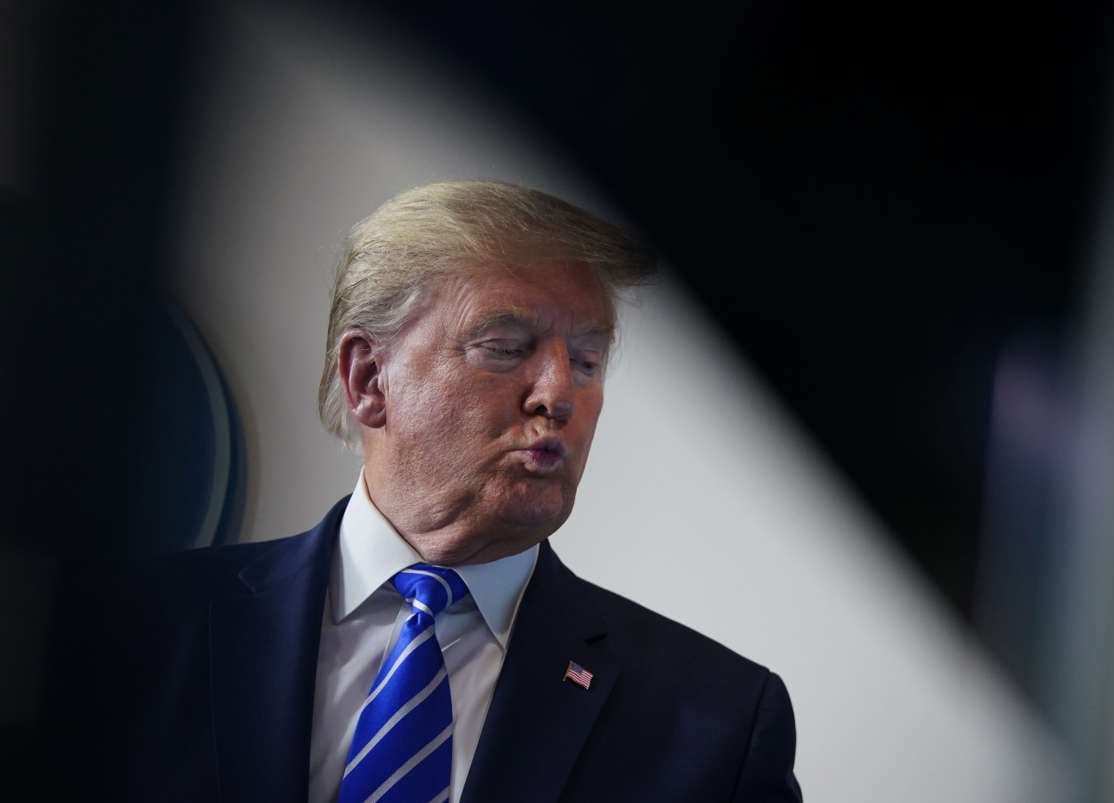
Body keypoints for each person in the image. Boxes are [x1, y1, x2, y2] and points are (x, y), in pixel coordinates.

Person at [42, 180, 803, 802]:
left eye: (588, 359)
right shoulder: (136, 628)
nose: (558, 394)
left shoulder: (718, 725)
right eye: (508, 347)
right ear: (369, 378)